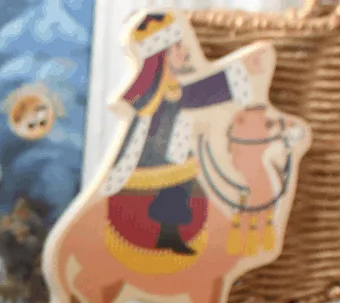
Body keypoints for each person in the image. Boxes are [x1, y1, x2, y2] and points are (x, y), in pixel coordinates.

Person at [105, 12, 265, 255]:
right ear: (163, 56)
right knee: (174, 192)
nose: (186, 52)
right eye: (178, 47)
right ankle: (165, 235)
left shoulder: (174, 87)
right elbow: (198, 93)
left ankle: (171, 235)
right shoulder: (154, 93)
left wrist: (242, 68)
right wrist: (239, 70)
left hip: (175, 154)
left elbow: (201, 91)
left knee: (182, 191)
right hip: (154, 159)